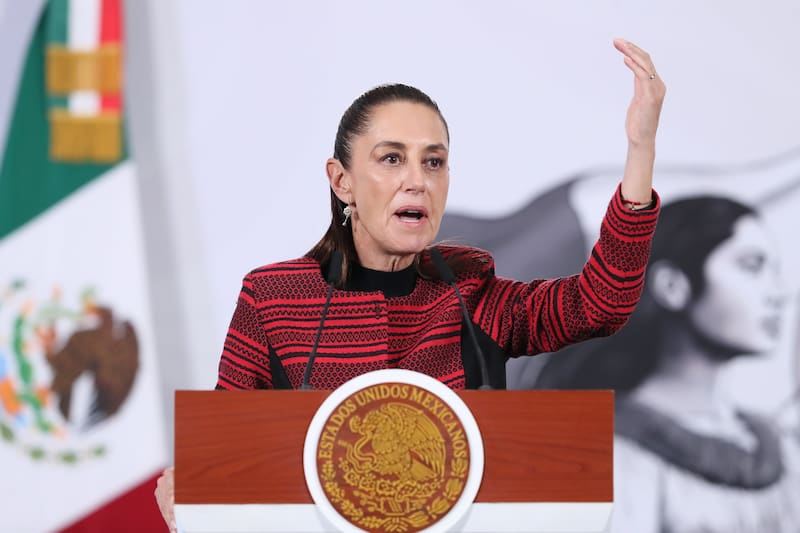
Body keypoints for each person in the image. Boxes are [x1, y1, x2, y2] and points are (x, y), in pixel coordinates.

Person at [155, 38, 665, 532]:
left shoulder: (472, 292)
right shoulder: (273, 298)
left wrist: (640, 148)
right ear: (342, 181)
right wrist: (191, 486)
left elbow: (600, 304)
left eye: (434, 161)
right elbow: (228, 457)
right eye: (392, 158)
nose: (417, 179)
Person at [535, 197, 800, 532]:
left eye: (775, 270)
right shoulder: (606, 452)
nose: (778, 294)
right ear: (673, 286)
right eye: (751, 266)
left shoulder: (784, 449)